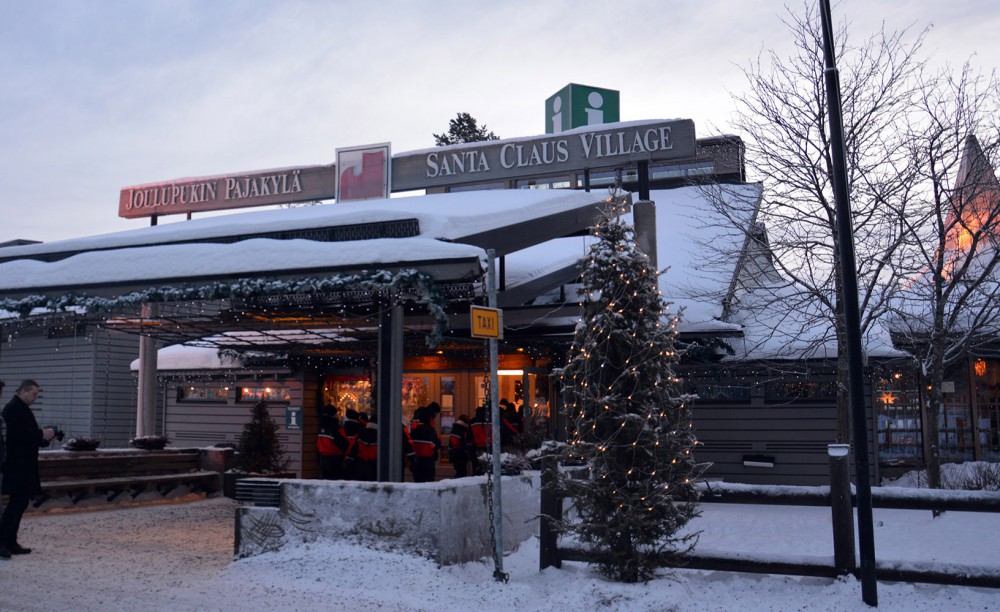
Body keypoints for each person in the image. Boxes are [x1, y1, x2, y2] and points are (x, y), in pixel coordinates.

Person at [1, 379, 56, 559]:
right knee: (16, 504)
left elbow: (27, 435)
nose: (35, 397)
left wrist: (44, 438)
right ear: (23, 391)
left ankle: (10, 541)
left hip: (23, 465)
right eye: (33, 394)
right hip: (17, 466)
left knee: (20, 503)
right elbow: (18, 435)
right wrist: (41, 434)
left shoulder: (20, 409)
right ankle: (3, 540)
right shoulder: (13, 409)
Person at [316, 404, 348, 480]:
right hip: (335, 458)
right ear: (333, 414)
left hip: (323, 458)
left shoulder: (321, 427)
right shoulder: (334, 427)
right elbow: (342, 443)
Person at [409, 410, 440, 483]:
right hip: (428, 461)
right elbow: (437, 444)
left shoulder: (414, 431)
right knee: (428, 482)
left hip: (417, 460)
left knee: (418, 481)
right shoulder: (430, 431)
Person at [346, 412, 378, 482]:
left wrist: (349, 460)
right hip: (374, 465)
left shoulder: (360, 433)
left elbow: (352, 448)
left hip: (359, 464)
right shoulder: (380, 435)